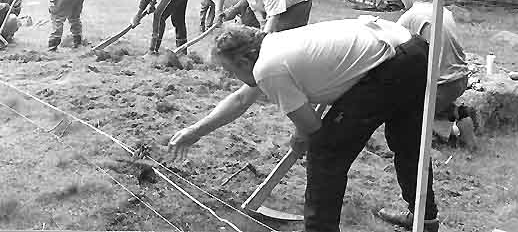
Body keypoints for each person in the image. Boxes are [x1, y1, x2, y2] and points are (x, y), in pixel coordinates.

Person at [169, 19, 439, 232]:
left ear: (242, 61)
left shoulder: (268, 68)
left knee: (325, 151)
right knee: (407, 142)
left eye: (230, 71)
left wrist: (302, 136)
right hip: (412, 48)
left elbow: (311, 127)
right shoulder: (274, 44)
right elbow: (241, 99)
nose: (231, 78)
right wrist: (195, 132)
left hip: (392, 63)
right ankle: (424, 221)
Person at [390, 0, 475, 145]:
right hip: (461, 79)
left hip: (442, 84)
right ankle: (461, 117)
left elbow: (390, 46)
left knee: (404, 111)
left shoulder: (411, 16)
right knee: (430, 100)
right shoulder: (441, 9)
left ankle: (448, 134)